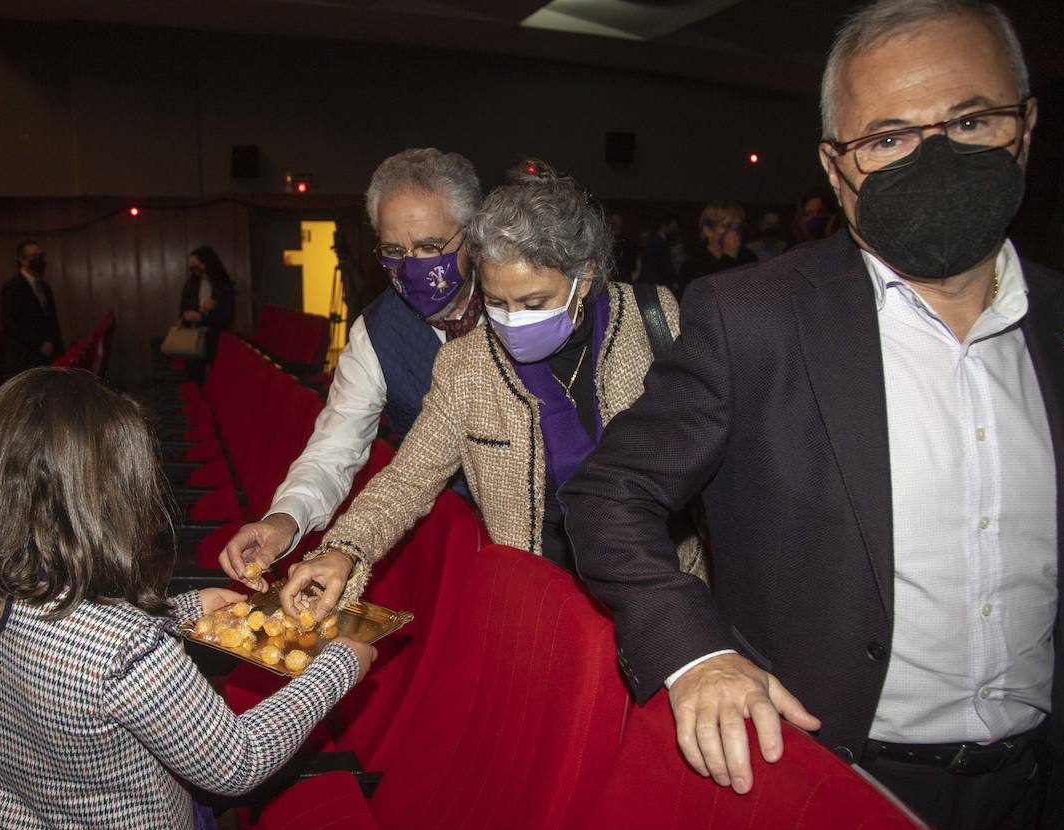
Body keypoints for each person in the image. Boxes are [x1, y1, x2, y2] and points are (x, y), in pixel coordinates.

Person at [561, 2, 1064, 830]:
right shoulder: (754, 319)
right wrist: (695, 652)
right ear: (839, 171)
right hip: (832, 783)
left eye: (969, 121)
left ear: (1026, 128)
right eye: (890, 137)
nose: (934, 158)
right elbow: (610, 492)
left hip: (1032, 795)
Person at [0, 367, 375, 830]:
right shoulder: (123, 647)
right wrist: (338, 666)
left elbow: (71, 640)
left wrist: (183, 610)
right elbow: (238, 761)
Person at [279, 167, 706, 617]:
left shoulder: (654, 320)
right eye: (497, 302)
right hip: (543, 602)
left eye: (534, 302)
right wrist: (343, 551)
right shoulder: (467, 365)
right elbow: (407, 480)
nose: (513, 320)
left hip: (666, 586)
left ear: (584, 274)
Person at [219, 148, 484, 584]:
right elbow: (336, 445)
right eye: (394, 251)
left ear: (472, 237)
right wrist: (285, 518)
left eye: (429, 247)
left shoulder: (522, 306)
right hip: (450, 532)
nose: (411, 268)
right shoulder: (374, 333)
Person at [0, 239, 63, 379]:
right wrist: (39, 344)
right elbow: (10, 323)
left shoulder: (45, 287)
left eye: (41, 255)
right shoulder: (12, 287)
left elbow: (52, 321)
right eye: (35, 256)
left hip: (46, 357)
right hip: (24, 358)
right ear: (22, 259)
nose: (40, 260)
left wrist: (55, 347)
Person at [179, 246, 236, 384]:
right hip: (194, 337)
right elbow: (182, 310)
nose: (192, 267)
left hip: (217, 337)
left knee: (220, 379)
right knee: (194, 379)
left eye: (195, 263)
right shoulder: (190, 284)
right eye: (190, 264)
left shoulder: (223, 285)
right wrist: (187, 315)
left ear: (206, 263)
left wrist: (208, 313)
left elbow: (228, 317)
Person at [675, 201, 758, 292]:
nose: (734, 231)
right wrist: (729, 257)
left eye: (738, 226)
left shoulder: (748, 257)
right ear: (708, 231)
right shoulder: (693, 265)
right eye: (728, 226)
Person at [635, 213, 680, 289]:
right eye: (673, 227)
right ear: (664, 226)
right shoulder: (657, 243)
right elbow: (652, 266)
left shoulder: (661, 242)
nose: (674, 230)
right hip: (656, 286)